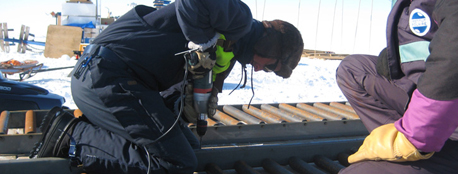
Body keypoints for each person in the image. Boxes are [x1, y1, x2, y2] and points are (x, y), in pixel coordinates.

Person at [29, 0, 304, 173]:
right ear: (270, 45)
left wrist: (192, 106)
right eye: (270, 65)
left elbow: (183, 91)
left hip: (119, 82)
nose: (260, 69)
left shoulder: (229, 52)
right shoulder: (239, 20)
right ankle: (73, 136)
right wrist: (203, 45)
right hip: (107, 76)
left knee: (187, 149)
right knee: (175, 164)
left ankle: (97, 134)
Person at [336, 0, 458, 173]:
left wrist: (413, 137)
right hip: (455, 108)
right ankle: (417, 152)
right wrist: (399, 57)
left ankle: (421, 149)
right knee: (354, 70)